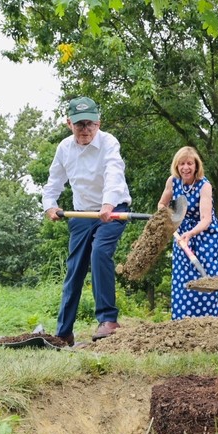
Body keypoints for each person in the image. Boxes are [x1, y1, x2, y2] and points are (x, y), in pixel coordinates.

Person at [42, 96, 132, 345]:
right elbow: (53, 183)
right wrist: (50, 205)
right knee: (75, 270)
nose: (85, 130)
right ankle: (64, 333)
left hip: (113, 209)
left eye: (90, 124)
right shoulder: (64, 149)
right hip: (82, 214)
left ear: (98, 123)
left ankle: (108, 320)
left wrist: (108, 203)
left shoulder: (109, 142)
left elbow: (114, 172)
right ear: (69, 123)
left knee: (100, 253)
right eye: (79, 124)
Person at [157, 146, 218, 320]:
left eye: (189, 163)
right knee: (184, 276)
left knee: (209, 273)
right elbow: (161, 205)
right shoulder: (172, 182)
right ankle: (184, 321)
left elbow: (206, 219)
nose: (185, 168)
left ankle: (215, 320)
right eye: (182, 164)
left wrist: (190, 233)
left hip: (206, 237)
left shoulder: (204, 186)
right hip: (181, 235)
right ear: (177, 166)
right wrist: (170, 219)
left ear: (196, 166)